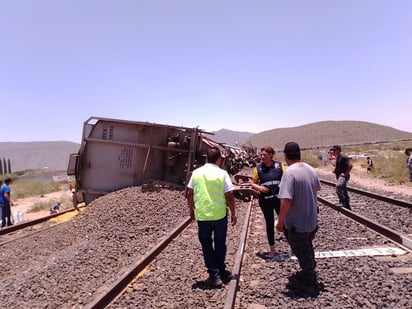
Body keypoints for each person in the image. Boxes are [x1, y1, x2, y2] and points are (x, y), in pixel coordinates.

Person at [186, 147, 237, 288]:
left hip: (203, 215)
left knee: (207, 245)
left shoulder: (196, 173)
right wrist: (233, 212)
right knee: (220, 244)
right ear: (219, 159)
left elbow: (189, 193)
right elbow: (229, 196)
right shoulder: (223, 173)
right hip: (220, 215)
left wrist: (191, 209)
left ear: (206, 159)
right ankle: (220, 271)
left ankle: (215, 275)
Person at [276, 142, 321, 297]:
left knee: (300, 250)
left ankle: (308, 283)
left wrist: (280, 221)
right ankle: (309, 271)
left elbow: (286, 200)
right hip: (311, 219)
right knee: (307, 246)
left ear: (286, 156)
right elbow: (317, 188)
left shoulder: (289, 173)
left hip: (297, 222)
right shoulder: (309, 168)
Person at [251, 146, 284, 260]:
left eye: (264, 155)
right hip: (265, 201)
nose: (262, 157)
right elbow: (253, 183)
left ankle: (294, 246)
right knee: (269, 223)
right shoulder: (258, 168)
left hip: (279, 199)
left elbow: (287, 179)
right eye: (261, 155)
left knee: (285, 222)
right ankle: (272, 249)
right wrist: (259, 187)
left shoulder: (280, 166)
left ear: (271, 155)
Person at [330, 145, 353, 209]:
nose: (333, 151)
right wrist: (335, 170)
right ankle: (346, 203)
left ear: (338, 150)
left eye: (334, 150)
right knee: (343, 189)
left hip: (343, 176)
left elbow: (350, 165)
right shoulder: (338, 157)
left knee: (339, 186)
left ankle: (342, 201)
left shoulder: (344, 156)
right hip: (339, 176)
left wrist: (345, 174)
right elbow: (339, 165)